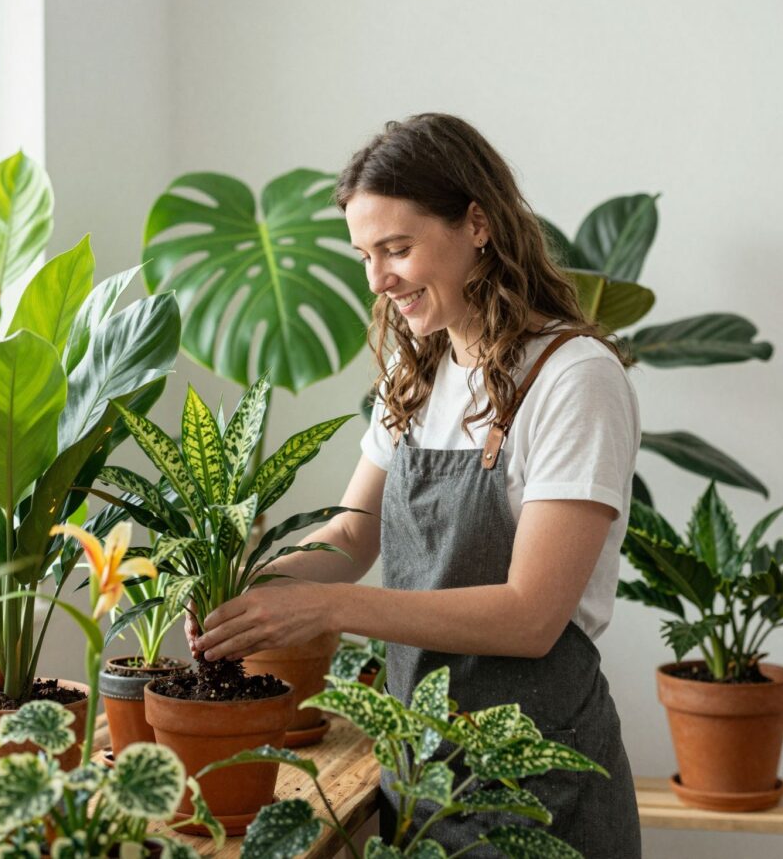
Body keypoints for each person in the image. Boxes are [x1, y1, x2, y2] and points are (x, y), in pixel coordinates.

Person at [191, 113, 642, 857]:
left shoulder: (574, 379)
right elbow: (350, 534)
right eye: (365, 254)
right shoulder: (421, 371)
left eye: (397, 248)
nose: (378, 279)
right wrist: (240, 588)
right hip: (422, 766)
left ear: (478, 224)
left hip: (535, 784)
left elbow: (531, 616)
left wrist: (323, 608)